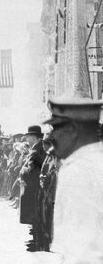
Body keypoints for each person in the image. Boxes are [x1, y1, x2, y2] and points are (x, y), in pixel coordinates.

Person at [43, 97, 103, 262]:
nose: (51, 136)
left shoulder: (79, 171)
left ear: (73, 129)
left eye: (56, 128)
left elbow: (84, 251)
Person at [18, 125, 46, 252]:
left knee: (36, 212)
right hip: (32, 184)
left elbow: (40, 166)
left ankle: (37, 242)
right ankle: (35, 239)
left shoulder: (38, 149)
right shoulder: (36, 148)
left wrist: (25, 172)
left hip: (35, 185)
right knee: (34, 212)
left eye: (28, 137)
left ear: (34, 137)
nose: (27, 139)